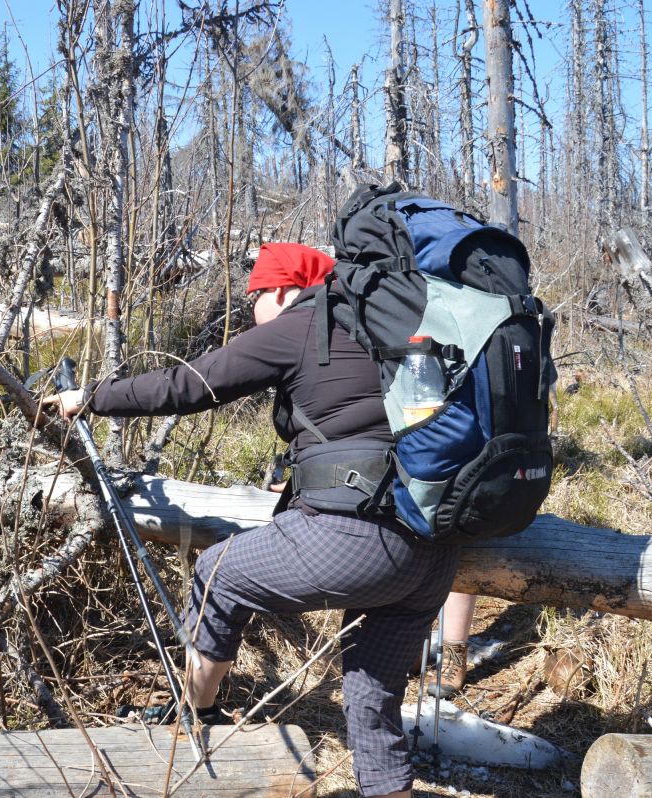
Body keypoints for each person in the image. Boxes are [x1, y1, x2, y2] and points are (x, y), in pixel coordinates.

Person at [42, 242, 460, 798]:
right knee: (367, 697)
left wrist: (91, 397)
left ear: (284, 289)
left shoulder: (303, 321)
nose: (251, 311)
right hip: (435, 550)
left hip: (360, 542)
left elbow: (187, 384)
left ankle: (196, 714)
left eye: (255, 296)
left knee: (219, 573)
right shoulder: (389, 327)